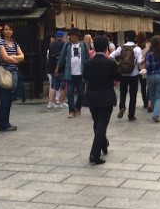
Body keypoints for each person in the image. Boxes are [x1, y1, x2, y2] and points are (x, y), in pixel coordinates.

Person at [83, 35, 121, 165]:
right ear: (106, 48)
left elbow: (85, 77)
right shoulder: (110, 63)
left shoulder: (88, 63)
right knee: (101, 125)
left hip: (92, 96)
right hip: (106, 97)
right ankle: (94, 154)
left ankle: (103, 144)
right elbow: (117, 77)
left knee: (97, 122)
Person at [56, 27, 90, 118]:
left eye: (72, 35)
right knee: (70, 93)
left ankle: (78, 107)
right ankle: (72, 111)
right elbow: (62, 57)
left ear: (77, 36)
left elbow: (88, 58)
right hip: (70, 73)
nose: (70, 37)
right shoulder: (67, 45)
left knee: (81, 93)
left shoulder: (83, 45)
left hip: (81, 74)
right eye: (70, 35)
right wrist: (57, 68)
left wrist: (89, 70)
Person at [110, 30, 142, 121]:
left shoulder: (121, 48)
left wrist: (118, 63)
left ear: (126, 37)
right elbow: (139, 62)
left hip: (123, 74)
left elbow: (111, 56)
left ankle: (122, 107)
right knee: (133, 94)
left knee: (123, 92)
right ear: (135, 38)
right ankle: (131, 115)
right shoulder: (137, 49)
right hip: (134, 74)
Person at [0, 23, 24, 131]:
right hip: (4, 72)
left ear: (12, 31)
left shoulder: (14, 43)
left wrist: (12, 57)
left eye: (9, 29)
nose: (7, 31)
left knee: (9, 100)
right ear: (3, 31)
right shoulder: (0, 42)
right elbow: (5, 58)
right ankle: (3, 124)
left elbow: (22, 56)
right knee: (5, 99)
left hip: (13, 73)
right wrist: (15, 59)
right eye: (6, 29)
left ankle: (6, 122)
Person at [145, 35, 160, 122]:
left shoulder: (148, 54)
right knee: (159, 96)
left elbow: (147, 66)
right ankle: (156, 114)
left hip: (151, 76)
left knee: (151, 95)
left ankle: (154, 112)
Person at [47, 32, 67, 109]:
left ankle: (50, 102)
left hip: (52, 68)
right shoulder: (63, 44)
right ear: (62, 37)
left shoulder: (51, 44)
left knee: (53, 86)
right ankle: (61, 102)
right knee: (63, 86)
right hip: (61, 68)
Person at [136, 31, 150, 110]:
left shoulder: (136, 47)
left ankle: (145, 102)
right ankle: (149, 101)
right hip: (147, 68)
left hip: (140, 69)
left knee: (143, 86)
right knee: (149, 85)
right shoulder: (148, 46)